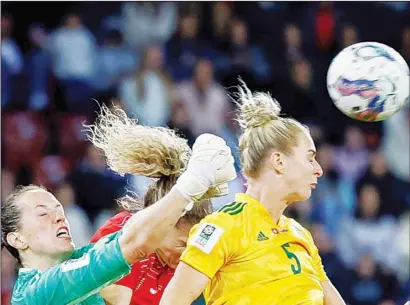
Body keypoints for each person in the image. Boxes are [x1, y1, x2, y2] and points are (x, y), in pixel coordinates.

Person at [1, 106, 236, 305]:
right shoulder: (36, 293)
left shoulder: (81, 259)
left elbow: (141, 235)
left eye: (59, 210)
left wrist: (189, 186)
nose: (59, 217)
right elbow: (135, 244)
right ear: (17, 239)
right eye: (43, 214)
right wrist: (192, 182)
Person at [160, 80, 346, 305]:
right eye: (309, 158)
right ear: (278, 161)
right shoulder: (223, 227)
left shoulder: (301, 234)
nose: (319, 169)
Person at [88, 105, 215, 305]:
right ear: (163, 221)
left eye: (192, 244)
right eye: (182, 243)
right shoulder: (122, 232)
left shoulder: (183, 262)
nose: (187, 252)